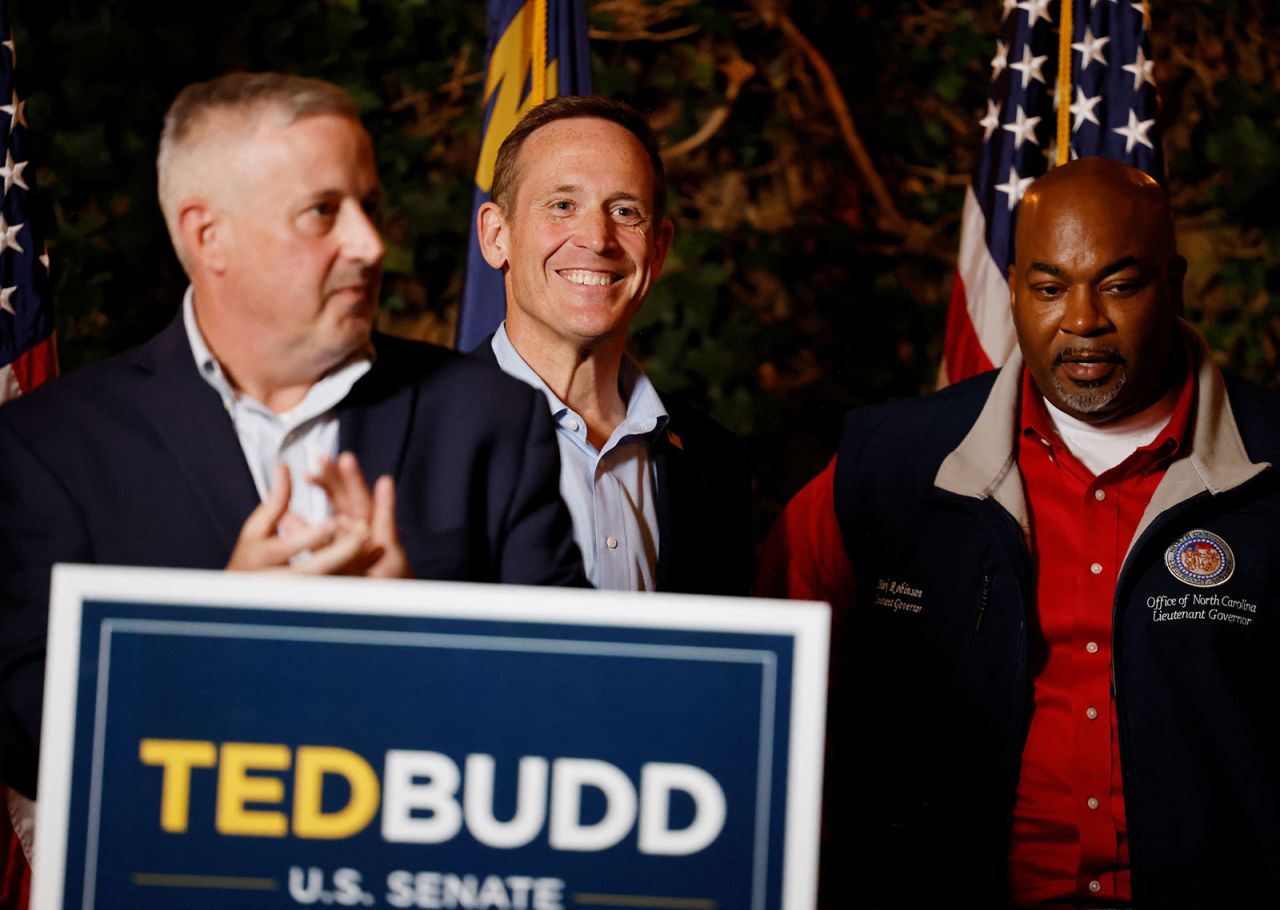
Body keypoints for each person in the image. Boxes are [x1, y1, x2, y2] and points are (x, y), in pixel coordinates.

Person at [0, 72, 585, 802]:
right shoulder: (51, 448)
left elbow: (576, 703)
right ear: (207, 235)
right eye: (321, 212)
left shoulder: (491, 419)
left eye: (369, 207)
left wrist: (420, 640)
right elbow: (26, 738)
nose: (369, 244)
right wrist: (213, 645)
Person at [757, 157, 1280, 907]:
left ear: (1176, 282)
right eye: (1048, 287)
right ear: (1011, 290)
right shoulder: (887, 468)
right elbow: (774, 681)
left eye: (1120, 284)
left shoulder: (1270, 469)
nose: (1081, 319)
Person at [471, 96, 752, 594]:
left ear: (659, 249)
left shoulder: (715, 463)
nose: (598, 239)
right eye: (563, 205)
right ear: (497, 235)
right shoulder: (416, 439)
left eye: (625, 211)